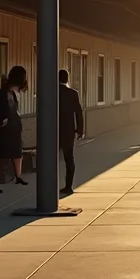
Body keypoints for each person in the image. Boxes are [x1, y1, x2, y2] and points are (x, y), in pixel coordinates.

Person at [0, 65, 29, 194]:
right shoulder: (0, 94)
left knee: (18, 153)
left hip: (14, 128)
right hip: (4, 130)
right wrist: (0, 122)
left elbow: (14, 110)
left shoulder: (12, 94)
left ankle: (18, 176)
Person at [58, 68, 85, 197]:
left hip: (53, 130)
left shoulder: (52, 93)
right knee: (69, 159)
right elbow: (78, 112)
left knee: (50, 159)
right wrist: (80, 130)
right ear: (67, 79)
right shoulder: (73, 93)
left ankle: (50, 185)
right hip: (68, 130)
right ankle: (68, 186)